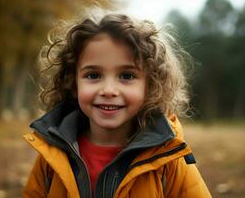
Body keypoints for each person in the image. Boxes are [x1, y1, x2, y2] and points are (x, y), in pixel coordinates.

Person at [22, 13, 211, 198]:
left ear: (150, 85)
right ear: (73, 82)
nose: (109, 90)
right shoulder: (52, 156)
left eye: (127, 76)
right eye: (93, 75)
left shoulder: (169, 159)